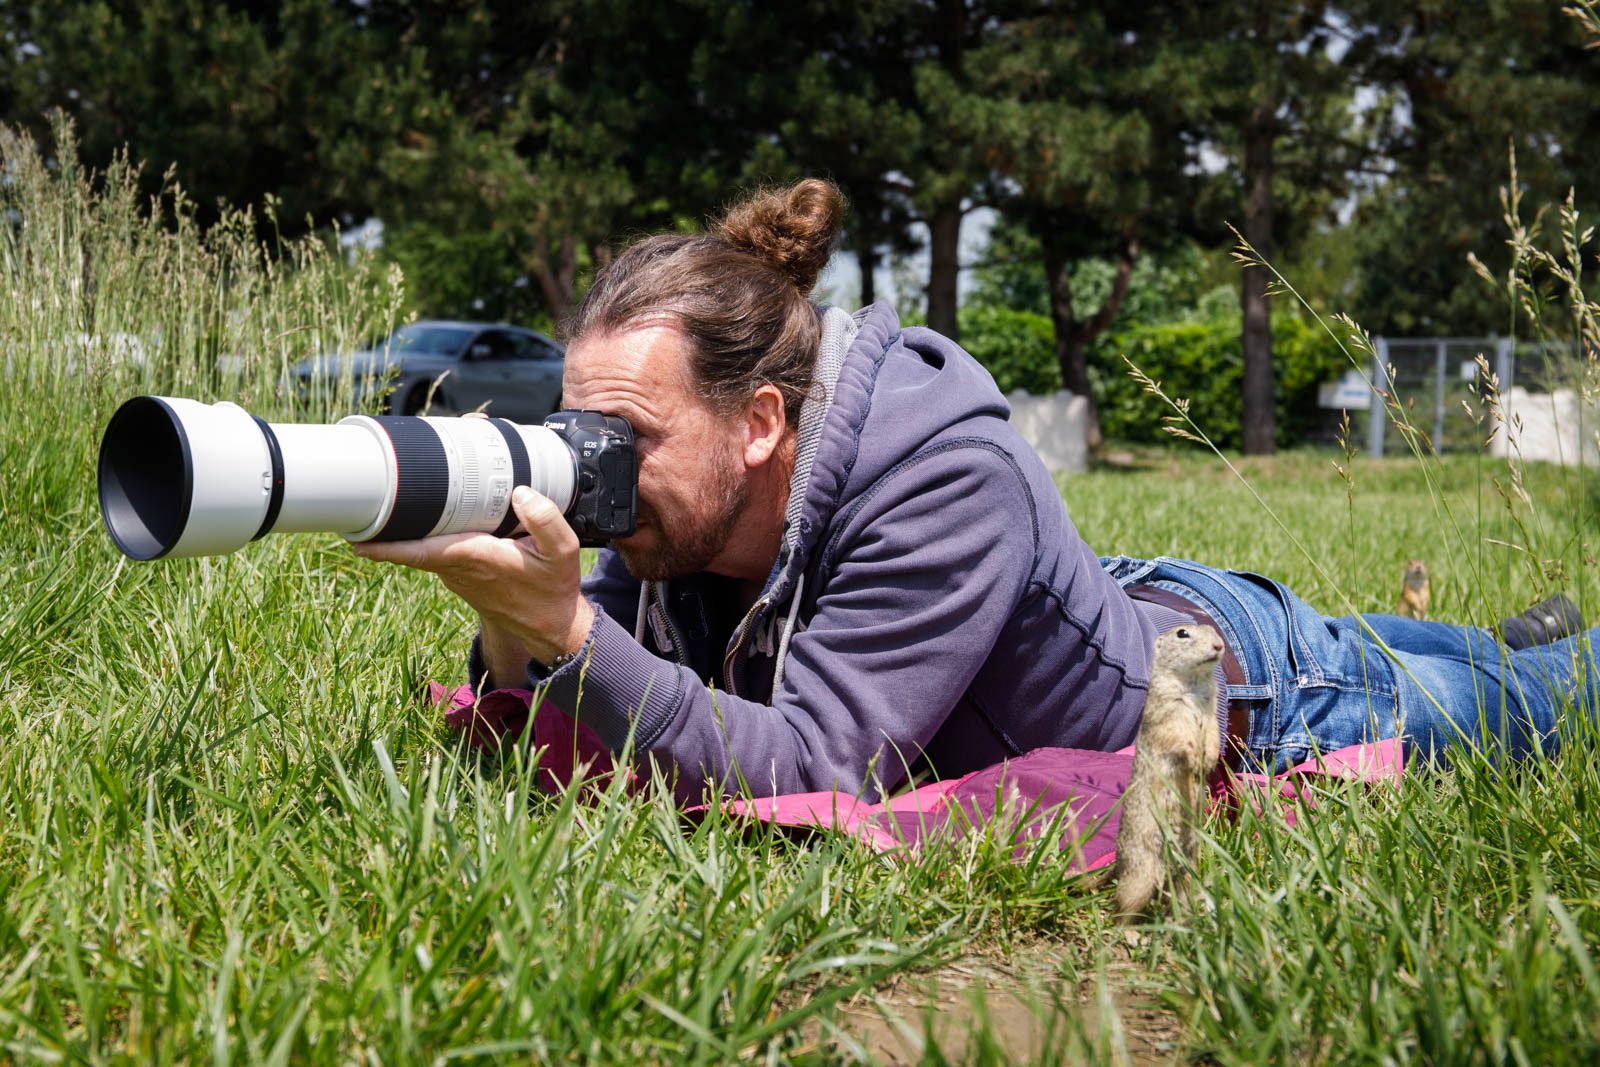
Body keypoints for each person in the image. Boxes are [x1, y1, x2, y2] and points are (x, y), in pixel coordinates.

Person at [353, 178, 1599, 802]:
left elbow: (815, 770)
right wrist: (522, 624)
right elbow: (581, 718)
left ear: (760, 425)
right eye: (581, 435)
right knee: (1448, 649)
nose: (598, 468)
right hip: (1080, 609)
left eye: (622, 437)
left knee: (1504, 702)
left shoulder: (944, 469)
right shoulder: (662, 495)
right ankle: (1490, 631)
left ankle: (1543, 654)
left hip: (1240, 689)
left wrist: (571, 631)